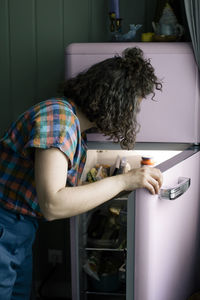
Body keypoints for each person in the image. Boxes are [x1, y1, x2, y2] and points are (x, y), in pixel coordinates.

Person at [0, 47, 163, 299]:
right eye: (133, 107)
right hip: (5, 225)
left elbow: (93, 159)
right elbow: (53, 203)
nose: (132, 115)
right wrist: (123, 180)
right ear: (115, 102)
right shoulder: (59, 120)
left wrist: (147, 168)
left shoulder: (72, 124)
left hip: (19, 228)